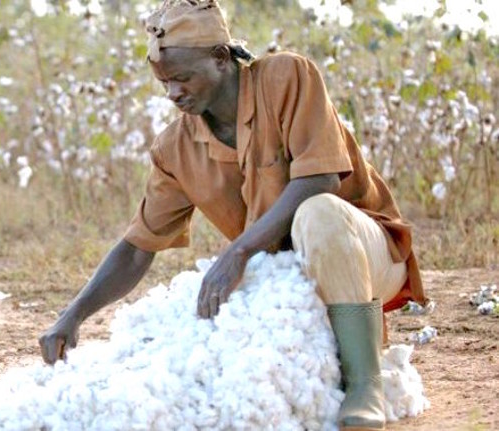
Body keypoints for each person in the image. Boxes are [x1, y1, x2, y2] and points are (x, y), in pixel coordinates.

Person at [39, 1, 427, 429]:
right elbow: (136, 248)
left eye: (183, 78)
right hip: (293, 282)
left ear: (221, 59)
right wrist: (72, 316)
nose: (173, 94)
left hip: (366, 259)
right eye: (164, 83)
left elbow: (320, 179)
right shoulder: (175, 148)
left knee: (318, 212)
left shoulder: (286, 77)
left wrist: (238, 251)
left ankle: (364, 384)